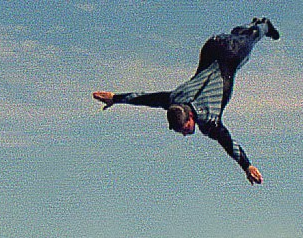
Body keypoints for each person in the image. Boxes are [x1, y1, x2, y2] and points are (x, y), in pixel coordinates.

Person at [92, 18, 280, 185]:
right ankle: (248, 27)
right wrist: (115, 98)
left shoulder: (209, 122)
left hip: (231, 55)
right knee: (236, 36)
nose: (185, 133)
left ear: (190, 115)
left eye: (185, 128)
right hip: (211, 46)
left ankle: (264, 25)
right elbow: (145, 98)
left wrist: (247, 166)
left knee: (253, 37)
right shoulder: (174, 99)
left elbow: (229, 144)